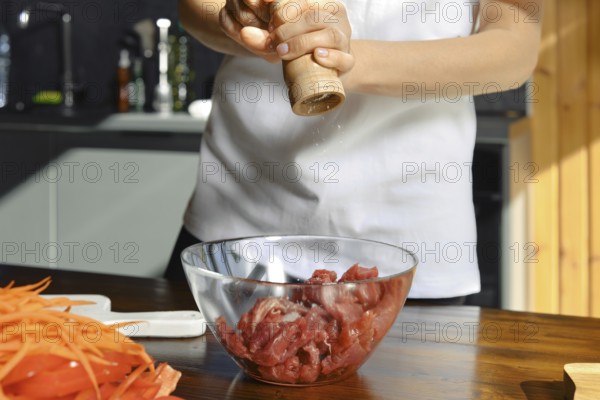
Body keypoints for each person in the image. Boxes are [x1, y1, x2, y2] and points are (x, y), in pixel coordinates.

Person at [165, 0, 543, 303]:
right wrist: (242, 22)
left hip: (407, 240)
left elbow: (514, 46)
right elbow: (195, 8)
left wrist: (344, 59)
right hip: (238, 217)